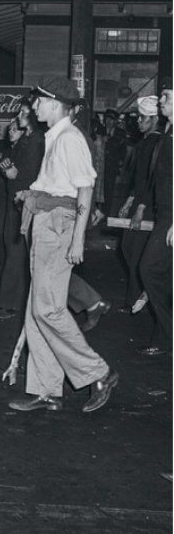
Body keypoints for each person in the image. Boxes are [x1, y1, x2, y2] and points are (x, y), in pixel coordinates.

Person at [8, 75, 117, 414]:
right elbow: (61, 185)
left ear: (55, 103)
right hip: (44, 224)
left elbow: (84, 189)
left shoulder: (69, 138)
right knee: (35, 311)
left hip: (58, 228)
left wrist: (78, 238)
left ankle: (98, 372)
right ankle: (46, 390)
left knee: (48, 309)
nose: (33, 106)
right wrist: (33, 193)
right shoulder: (53, 137)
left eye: (38, 101)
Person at [0, 102, 44, 320]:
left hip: (27, 202)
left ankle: (9, 303)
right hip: (15, 201)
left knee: (17, 252)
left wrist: (16, 176)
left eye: (24, 113)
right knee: (16, 251)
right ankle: (14, 301)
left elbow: (35, 176)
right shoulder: (25, 140)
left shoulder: (37, 140)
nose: (19, 116)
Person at [137, 78, 172, 356]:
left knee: (148, 268)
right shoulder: (168, 131)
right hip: (164, 214)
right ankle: (164, 337)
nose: (161, 100)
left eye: (166, 96)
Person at [117, 96, 160, 312]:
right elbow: (139, 178)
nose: (138, 122)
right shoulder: (144, 143)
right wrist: (130, 199)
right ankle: (140, 294)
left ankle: (137, 299)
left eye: (143, 118)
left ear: (154, 120)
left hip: (149, 206)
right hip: (139, 201)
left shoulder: (157, 144)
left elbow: (153, 180)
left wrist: (141, 208)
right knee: (127, 248)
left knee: (137, 254)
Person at [102, 108, 132, 217]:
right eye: (107, 119)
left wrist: (120, 165)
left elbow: (122, 151)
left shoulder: (121, 133)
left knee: (108, 191)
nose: (108, 122)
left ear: (116, 122)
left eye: (111, 120)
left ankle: (105, 214)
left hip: (112, 166)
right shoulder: (99, 130)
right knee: (97, 190)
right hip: (99, 166)